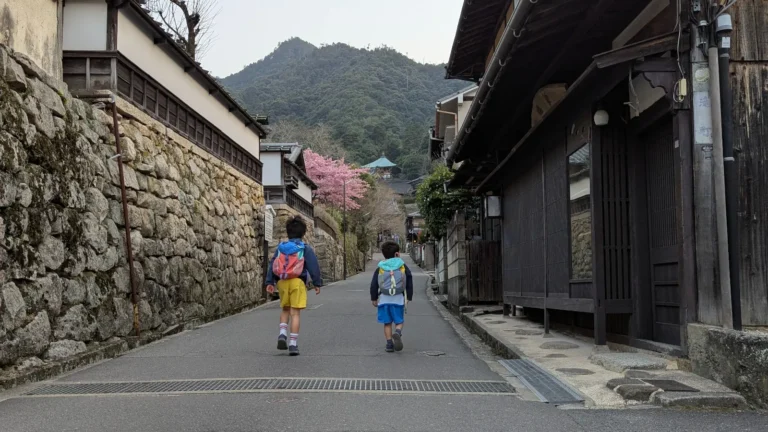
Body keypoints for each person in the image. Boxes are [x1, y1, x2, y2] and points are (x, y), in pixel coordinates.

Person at [265, 216, 322, 356]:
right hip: (297, 282)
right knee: (295, 313)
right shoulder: (304, 248)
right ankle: (293, 344)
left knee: (285, 309)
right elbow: (313, 266)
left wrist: (269, 282)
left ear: (288, 232)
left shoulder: (281, 248)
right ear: (303, 233)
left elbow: (272, 264)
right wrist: (317, 283)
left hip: (282, 282)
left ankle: (282, 334)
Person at [370, 241, 413, 352]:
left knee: (387, 323)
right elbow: (409, 279)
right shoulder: (402, 265)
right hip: (398, 299)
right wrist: (409, 296)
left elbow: (374, 283)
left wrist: (374, 298)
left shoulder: (381, 267)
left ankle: (389, 344)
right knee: (399, 321)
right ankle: (398, 332)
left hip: (384, 299)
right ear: (397, 254)